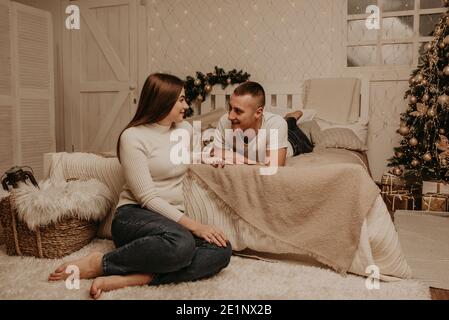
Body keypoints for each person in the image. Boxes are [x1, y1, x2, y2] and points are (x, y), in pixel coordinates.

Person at [48, 73, 232, 299]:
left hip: (170, 225)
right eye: (181, 100)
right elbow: (148, 198)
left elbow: (189, 154)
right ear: (163, 101)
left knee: (222, 249)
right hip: (134, 217)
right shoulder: (133, 137)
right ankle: (101, 263)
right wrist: (196, 226)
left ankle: (139, 278)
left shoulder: (183, 130)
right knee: (182, 244)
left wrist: (210, 155)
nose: (186, 105)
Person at [211, 81, 313, 167]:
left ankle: (292, 117)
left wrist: (232, 156)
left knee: (292, 128)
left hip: (293, 141)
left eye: (238, 111)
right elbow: (215, 153)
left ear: (258, 113)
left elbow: (274, 168)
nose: (230, 116)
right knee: (285, 123)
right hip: (271, 128)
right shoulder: (225, 120)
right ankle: (289, 119)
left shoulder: (277, 124)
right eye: (230, 108)